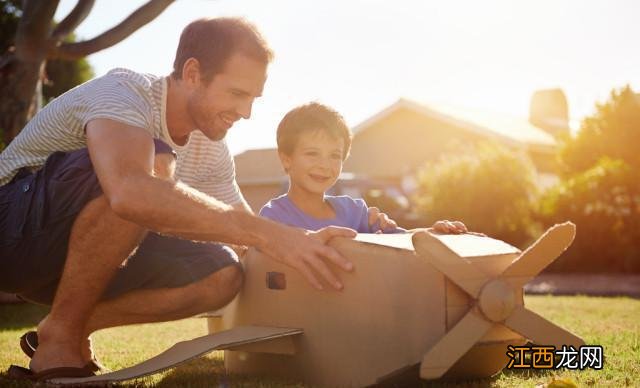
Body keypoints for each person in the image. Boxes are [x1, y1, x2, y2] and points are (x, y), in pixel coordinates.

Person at [0, 18, 356, 381]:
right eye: (237, 93)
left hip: (68, 263)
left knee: (223, 270)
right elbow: (131, 191)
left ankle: (66, 326)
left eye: (253, 98)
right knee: (151, 168)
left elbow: (243, 231)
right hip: (10, 234)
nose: (246, 112)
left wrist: (300, 242)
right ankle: (60, 340)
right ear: (192, 73)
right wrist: (267, 234)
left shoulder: (211, 148)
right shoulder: (124, 93)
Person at [259, 102, 468, 234]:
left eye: (335, 155)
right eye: (312, 153)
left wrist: (432, 232)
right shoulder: (273, 218)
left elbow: (403, 242)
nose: (324, 165)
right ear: (286, 159)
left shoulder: (355, 212)